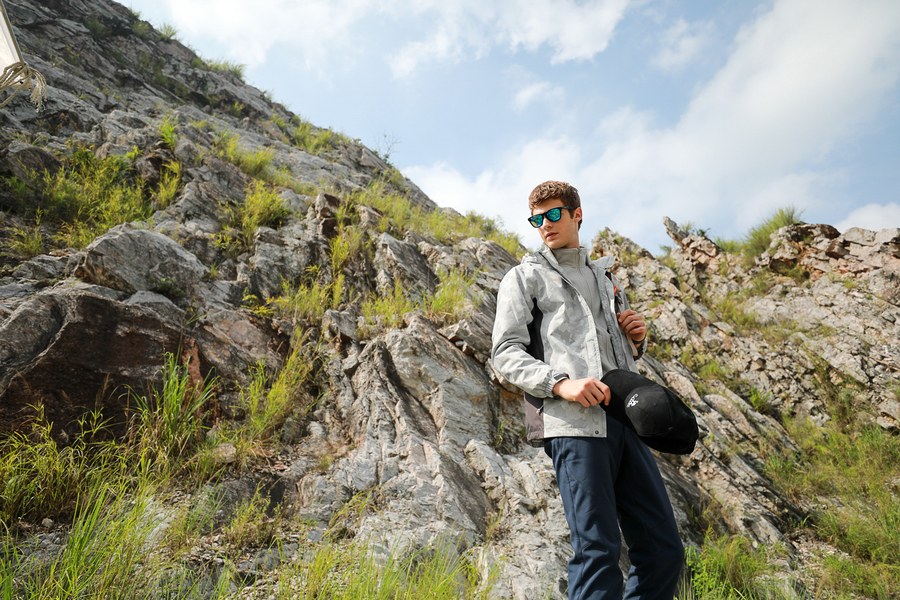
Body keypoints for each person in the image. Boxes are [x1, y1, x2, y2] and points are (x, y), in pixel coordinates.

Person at [490, 181, 684, 599]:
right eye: (537, 219)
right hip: (574, 427)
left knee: (664, 551)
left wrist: (636, 340)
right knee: (597, 551)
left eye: (553, 214)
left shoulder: (607, 278)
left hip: (626, 423)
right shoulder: (524, 277)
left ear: (577, 214)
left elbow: (612, 352)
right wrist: (560, 383)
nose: (545, 225)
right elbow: (504, 354)